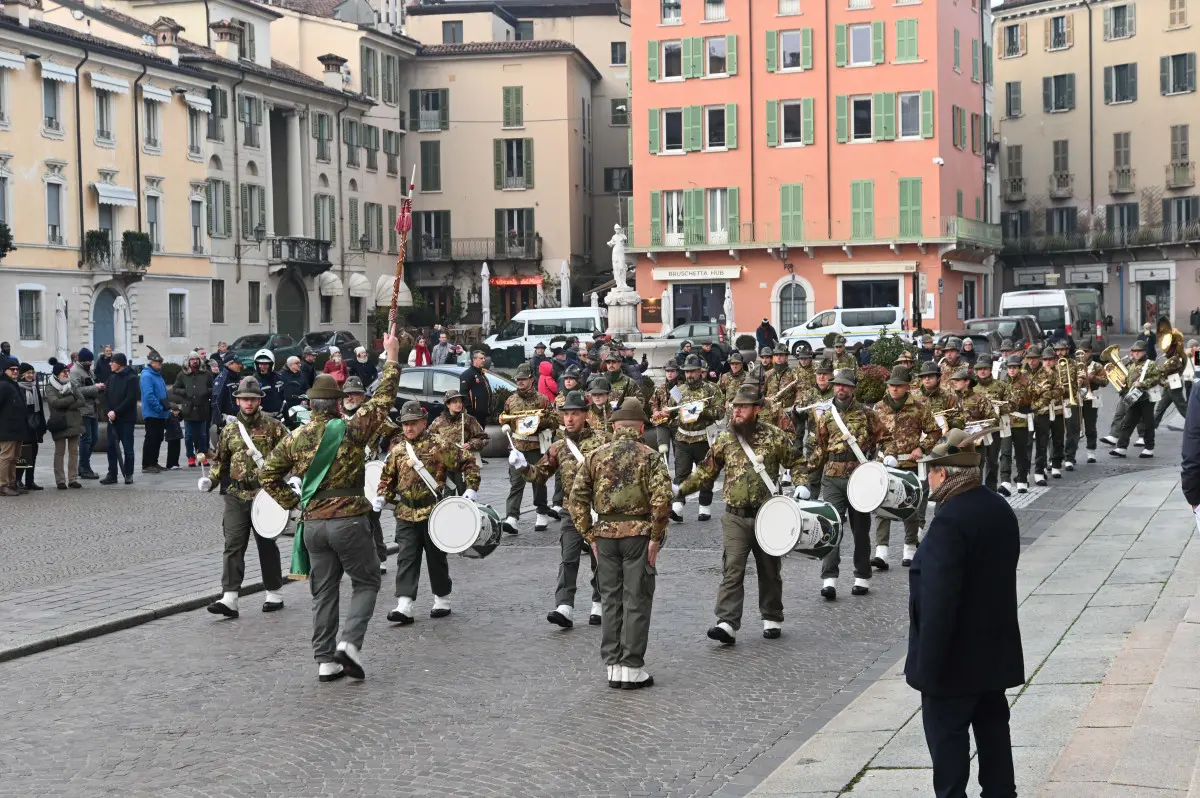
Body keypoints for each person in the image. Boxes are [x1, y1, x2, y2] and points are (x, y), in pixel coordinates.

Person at [258, 328, 400, 682]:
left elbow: (267, 477)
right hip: (349, 520)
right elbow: (382, 399)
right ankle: (349, 644)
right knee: (367, 582)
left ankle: (325, 660)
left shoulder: (294, 437)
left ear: (309, 404)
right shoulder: (349, 430)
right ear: (338, 403)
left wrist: (295, 504)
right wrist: (392, 356)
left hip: (312, 526)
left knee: (323, 592)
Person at [906, 429, 1024, 798]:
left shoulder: (949, 521)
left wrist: (927, 668)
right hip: (994, 652)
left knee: (948, 743)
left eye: (931, 471)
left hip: (953, 662)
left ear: (944, 473)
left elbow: (940, 600)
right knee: (993, 734)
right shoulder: (998, 507)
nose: (928, 479)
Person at [679, 383, 802, 645]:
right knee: (732, 568)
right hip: (734, 515)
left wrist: (801, 483)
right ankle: (727, 622)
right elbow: (706, 471)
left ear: (756, 409)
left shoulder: (774, 436)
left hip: (767, 514)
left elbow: (797, 461)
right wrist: (680, 490)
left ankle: (772, 616)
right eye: (735, 406)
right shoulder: (725, 439)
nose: (737, 411)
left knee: (769, 568)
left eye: (743, 407)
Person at [568, 398, 671, 689]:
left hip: (605, 534)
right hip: (637, 534)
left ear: (614, 427)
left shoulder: (595, 456)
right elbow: (662, 501)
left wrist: (589, 534)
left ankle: (613, 665)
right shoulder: (650, 456)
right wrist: (655, 538)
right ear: (640, 427)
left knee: (610, 600)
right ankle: (632, 666)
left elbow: (576, 500)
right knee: (636, 599)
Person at [376, 399, 480, 626]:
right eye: (405, 424)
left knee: (436, 557)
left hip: (434, 512)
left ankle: (442, 598)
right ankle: (404, 604)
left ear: (424, 423)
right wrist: (381, 495)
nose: (409, 428)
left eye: (413, 423)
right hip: (405, 512)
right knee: (406, 558)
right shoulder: (397, 451)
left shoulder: (439, 445)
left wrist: (471, 487)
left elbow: (467, 461)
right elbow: (387, 478)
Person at [513, 390, 609, 629]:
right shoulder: (558, 446)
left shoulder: (603, 441)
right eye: (566, 414)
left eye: (574, 414)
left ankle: (599, 603)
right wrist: (523, 466)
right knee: (569, 558)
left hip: (598, 511)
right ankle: (564, 606)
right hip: (571, 510)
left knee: (600, 559)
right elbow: (539, 475)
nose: (569, 419)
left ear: (585, 415)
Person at [200, 377, 290, 618]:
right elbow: (221, 461)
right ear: (238, 401)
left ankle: (274, 592)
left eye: (252, 399)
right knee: (233, 543)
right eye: (244, 399)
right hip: (236, 494)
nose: (248, 403)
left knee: (266, 544)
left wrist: (292, 480)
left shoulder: (274, 427)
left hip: (265, 495)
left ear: (259, 400)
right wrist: (211, 479)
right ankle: (230, 597)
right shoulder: (229, 430)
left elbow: (291, 454)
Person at [797, 368, 881, 600]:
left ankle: (862, 576)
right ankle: (829, 579)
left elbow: (884, 438)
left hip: (859, 478)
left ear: (853, 388)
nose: (840, 388)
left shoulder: (867, 414)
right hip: (832, 477)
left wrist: (883, 461)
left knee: (861, 530)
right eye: (837, 385)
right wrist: (804, 476)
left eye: (845, 385)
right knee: (831, 526)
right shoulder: (826, 415)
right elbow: (819, 450)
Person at [871, 366, 939, 571]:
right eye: (891, 386)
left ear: (907, 387)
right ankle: (881, 551)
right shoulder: (878, 408)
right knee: (882, 505)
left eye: (898, 386)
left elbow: (934, 431)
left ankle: (909, 548)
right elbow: (870, 433)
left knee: (910, 506)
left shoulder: (919, 407)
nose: (894, 389)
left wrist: (922, 447)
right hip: (886, 464)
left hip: (909, 463)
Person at [656, 354, 724, 523]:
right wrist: (664, 414)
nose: (690, 375)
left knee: (706, 474)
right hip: (683, 439)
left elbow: (721, 413)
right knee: (680, 474)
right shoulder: (679, 391)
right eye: (687, 372)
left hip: (703, 438)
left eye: (693, 372)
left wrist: (703, 412)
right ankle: (678, 507)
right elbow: (671, 413)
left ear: (700, 372)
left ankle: (704, 507)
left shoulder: (711, 389)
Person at [342, 376, 395, 573]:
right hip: (344, 476)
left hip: (369, 473)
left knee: (372, 518)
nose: (350, 397)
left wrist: (390, 455)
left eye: (354, 394)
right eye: (347, 394)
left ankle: (380, 557)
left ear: (363, 396)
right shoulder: (336, 418)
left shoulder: (373, 416)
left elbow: (396, 434)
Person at [501, 363, 560, 534]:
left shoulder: (542, 399)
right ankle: (511, 518)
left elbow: (555, 421)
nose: (520, 382)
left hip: (536, 445)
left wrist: (540, 421)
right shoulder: (510, 400)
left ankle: (541, 512)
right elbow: (505, 421)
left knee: (538, 481)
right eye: (518, 379)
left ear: (531, 379)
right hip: (517, 446)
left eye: (523, 379)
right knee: (516, 483)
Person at [428, 389, 488, 496]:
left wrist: (471, 444)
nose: (458, 404)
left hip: (463, 465)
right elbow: (428, 440)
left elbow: (484, 438)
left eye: (460, 401)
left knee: (464, 495)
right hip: (444, 466)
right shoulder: (438, 422)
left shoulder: (469, 420)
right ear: (448, 404)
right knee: (446, 496)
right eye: (455, 402)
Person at [1111, 340, 1158, 459]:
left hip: (1146, 398)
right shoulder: (1131, 365)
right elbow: (1129, 381)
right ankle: (1121, 447)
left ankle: (1149, 448)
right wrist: (1123, 384)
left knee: (1148, 423)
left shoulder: (1151, 364)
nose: (1136, 354)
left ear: (1144, 352)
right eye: (1134, 351)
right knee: (1128, 422)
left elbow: (1157, 378)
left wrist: (1142, 383)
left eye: (1139, 351)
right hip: (1134, 398)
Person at [45, 361, 86, 490]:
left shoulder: (71, 384)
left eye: (67, 371)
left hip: (74, 422)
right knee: (59, 452)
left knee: (74, 452)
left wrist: (67, 406)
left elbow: (81, 400)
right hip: (59, 423)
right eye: (64, 371)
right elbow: (54, 402)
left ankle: (73, 479)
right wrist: (71, 399)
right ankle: (60, 480)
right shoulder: (50, 387)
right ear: (57, 374)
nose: (66, 373)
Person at [998, 354, 1034, 496]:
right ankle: (1005, 481)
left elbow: (1032, 399)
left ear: (1019, 368)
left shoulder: (1027, 382)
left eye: (1015, 368)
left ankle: (1022, 480)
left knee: (1021, 453)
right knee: (1005, 452)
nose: (1012, 370)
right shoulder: (1002, 381)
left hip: (1021, 422)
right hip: (1006, 422)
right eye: (1010, 368)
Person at [100, 353, 138, 485]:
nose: (110, 364)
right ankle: (112, 474)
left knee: (128, 448)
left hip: (126, 419)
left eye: (113, 362)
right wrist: (109, 411)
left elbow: (130, 399)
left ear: (120, 364)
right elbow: (106, 397)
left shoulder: (131, 378)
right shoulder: (111, 378)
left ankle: (128, 474)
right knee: (111, 447)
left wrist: (116, 412)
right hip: (112, 419)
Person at [1029, 346, 1064, 483]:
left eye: (1050, 359)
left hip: (1052, 410)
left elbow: (1060, 389)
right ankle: (1037, 469)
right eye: (1045, 360)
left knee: (1054, 440)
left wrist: (1048, 394)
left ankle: (1054, 465)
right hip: (1035, 411)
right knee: (1036, 443)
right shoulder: (1025, 373)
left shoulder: (1051, 373)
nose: (1048, 362)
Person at [173, 351, 213, 467]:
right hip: (188, 409)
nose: (194, 361)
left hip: (202, 407)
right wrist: (185, 392)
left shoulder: (206, 374)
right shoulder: (182, 375)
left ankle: (202, 455)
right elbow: (175, 389)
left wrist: (206, 391)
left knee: (202, 435)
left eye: (196, 359)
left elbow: (213, 388)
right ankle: (190, 456)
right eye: (192, 359)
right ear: (189, 361)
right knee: (189, 435)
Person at [70, 348, 105, 479]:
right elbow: (76, 390)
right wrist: (94, 388)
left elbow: (92, 384)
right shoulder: (75, 371)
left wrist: (99, 386)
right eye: (89, 360)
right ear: (83, 360)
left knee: (94, 438)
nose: (91, 362)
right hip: (82, 410)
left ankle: (83, 466)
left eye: (91, 360)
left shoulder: (87, 370)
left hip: (92, 409)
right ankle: (85, 468)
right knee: (86, 439)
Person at [16, 363, 47, 490]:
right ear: (22, 375)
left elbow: (40, 409)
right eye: (28, 373)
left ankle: (30, 481)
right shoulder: (18, 388)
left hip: (35, 427)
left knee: (33, 455)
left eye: (32, 373)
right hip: (24, 427)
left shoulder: (34, 388)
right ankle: (17, 480)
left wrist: (42, 425)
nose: (30, 375)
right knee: (23, 456)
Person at [139, 353, 170, 474]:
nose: (160, 365)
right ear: (151, 363)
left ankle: (154, 462)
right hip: (153, 413)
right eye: (158, 362)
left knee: (158, 438)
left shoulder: (158, 375)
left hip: (161, 412)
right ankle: (147, 464)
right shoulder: (147, 376)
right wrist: (158, 408)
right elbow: (149, 395)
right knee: (151, 438)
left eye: (160, 362)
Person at [1077, 343, 1108, 464]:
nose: (1082, 354)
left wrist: (1093, 378)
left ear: (1090, 352)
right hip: (1077, 398)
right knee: (1074, 428)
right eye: (1080, 352)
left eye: (1085, 352)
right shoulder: (1075, 365)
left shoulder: (1097, 366)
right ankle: (1071, 454)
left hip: (1091, 398)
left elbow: (1105, 382)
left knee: (1090, 426)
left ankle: (1091, 452)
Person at [460, 349, 493, 430]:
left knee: (481, 438)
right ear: (474, 359)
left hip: (482, 414)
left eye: (484, 358)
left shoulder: (481, 374)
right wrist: (470, 411)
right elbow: (464, 394)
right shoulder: (468, 374)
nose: (484, 360)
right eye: (481, 358)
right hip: (474, 415)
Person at [252, 350, 284, 415]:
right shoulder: (253, 380)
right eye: (260, 364)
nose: (263, 366)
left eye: (266, 364)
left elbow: (284, 395)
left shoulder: (279, 377)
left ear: (271, 364)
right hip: (263, 415)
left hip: (279, 413)